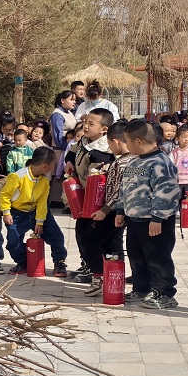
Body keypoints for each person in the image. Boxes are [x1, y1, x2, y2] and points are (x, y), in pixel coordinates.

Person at [114, 120, 181, 309]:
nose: (126, 145)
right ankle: (141, 288)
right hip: (135, 219)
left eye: (127, 141)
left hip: (155, 221)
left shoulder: (161, 162)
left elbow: (167, 191)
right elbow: (125, 188)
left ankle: (165, 293)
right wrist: (120, 211)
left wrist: (158, 217)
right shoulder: (134, 161)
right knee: (136, 255)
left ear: (139, 141)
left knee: (158, 258)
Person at [0, 147, 68, 277]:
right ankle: (24, 261)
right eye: (53, 165)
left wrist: (40, 222)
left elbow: (42, 203)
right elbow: (5, 195)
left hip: (37, 211)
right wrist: (6, 212)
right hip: (17, 214)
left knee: (56, 236)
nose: (54, 167)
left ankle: (59, 262)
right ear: (44, 166)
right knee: (13, 242)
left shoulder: (44, 181)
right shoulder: (18, 176)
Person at [66, 108, 115, 284]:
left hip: (100, 203)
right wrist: (69, 161)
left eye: (91, 124)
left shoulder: (107, 150)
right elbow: (72, 152)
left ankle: (101, 273)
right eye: (85, 122)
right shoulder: (84, 142)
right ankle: (88, 265)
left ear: (104, 129)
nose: (85, 126)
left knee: (95, 239)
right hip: (84, 197)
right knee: (81, 232)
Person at [83, 121, 132, 297]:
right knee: (114, 243)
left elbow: (121, 191)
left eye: (110, 144)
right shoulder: (127, 160)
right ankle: (115, 279)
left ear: (116, 142)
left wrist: (105, 209)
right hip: (119, 211)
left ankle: (99, 276)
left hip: (113, 211)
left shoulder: (124, 163)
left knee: (89, 240)